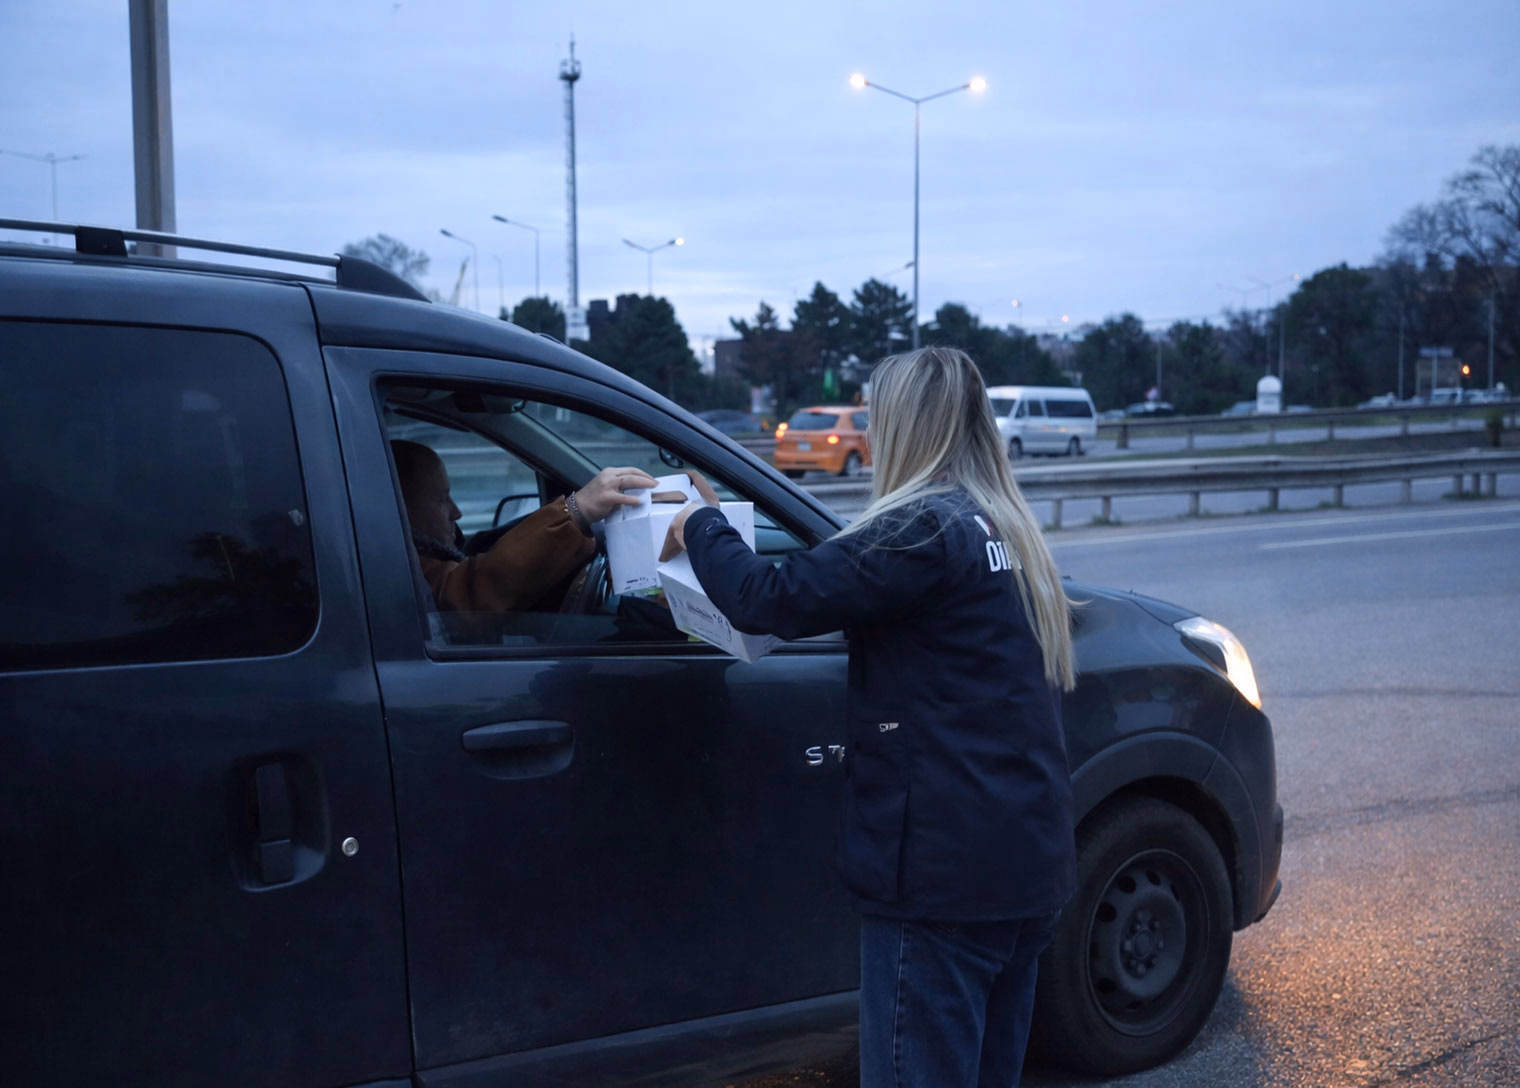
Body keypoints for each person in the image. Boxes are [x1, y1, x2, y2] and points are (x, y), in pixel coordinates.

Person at [661, 347, 1078, 1088]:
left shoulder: (919, 530)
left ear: (903, 427)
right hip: (1025, 869)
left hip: (944, 884)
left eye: (876, 420)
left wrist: (700, 522)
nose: (871, 436)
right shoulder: (1003, 528)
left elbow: (766, 597)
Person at [391, 439, 655, 613]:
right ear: (398, 506)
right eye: (441, 499)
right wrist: (575, 511)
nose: (456, 512)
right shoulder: (394, 570)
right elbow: (471, 594)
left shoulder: (414, 559)